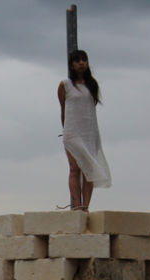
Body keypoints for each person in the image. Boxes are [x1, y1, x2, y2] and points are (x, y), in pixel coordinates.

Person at [58, 49, 111, 212]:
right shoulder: (65, 85)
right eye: (78, 60)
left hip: (89, 132)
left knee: (88, 168)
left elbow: (90, 109)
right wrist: (65, 129)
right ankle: (77, 205)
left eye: (84, 60)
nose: (81, 63)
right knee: (74, 168)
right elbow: (63, 109)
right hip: (72, 132)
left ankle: (85, 206)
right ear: (72, 64)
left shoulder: (92, 85)